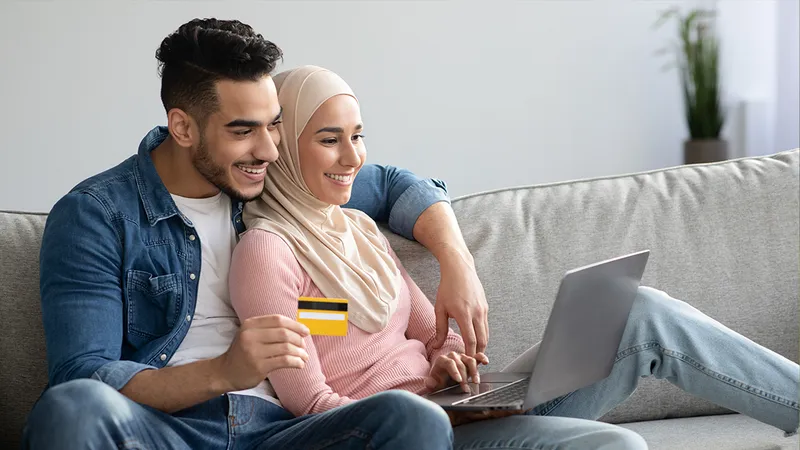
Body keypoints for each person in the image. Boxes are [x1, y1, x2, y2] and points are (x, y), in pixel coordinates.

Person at [229, 64, 800, 450]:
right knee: (617, 446)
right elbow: (312, 405)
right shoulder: (268, 252)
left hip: (457, 407)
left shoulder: (360, 230)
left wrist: (451, 366)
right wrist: (429, 409)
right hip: (420, 433)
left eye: (358, 135)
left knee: (638, 312)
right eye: (329, 139)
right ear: (283, 145)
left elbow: (432, 332)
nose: (352, 156)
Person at [21, 18, 494, 449]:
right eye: (244, 131)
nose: (269, 150)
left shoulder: (275, 182)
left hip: (282, 431)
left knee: (412, 419)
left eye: (274, 126)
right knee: (72, 408)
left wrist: (458, 265)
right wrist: (223, 373)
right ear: (182, 127)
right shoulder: (96, 215)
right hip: (165, 431)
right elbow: (83, 373)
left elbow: (398, 185)